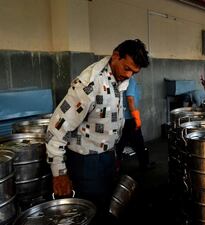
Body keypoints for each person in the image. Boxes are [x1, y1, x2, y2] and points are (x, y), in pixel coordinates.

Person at [45, 39, 150, 223]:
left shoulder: (119, 79)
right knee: (89, 213)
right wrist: (59, 173)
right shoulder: (88, 85)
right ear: (116, 55)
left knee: (105, 209)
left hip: (107, 158)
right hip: (86, 164)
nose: (129, 75)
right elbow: (56, 129)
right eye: (127, 68)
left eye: (134, 72)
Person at [116, 76, 155, 170]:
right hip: (130, 118)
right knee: (139, 143)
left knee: (120, 143)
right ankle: (144, 165)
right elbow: (130, 98)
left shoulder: (119, 80)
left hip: (121, 117)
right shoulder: (130, 80)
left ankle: (115, 167)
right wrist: (136, 116)